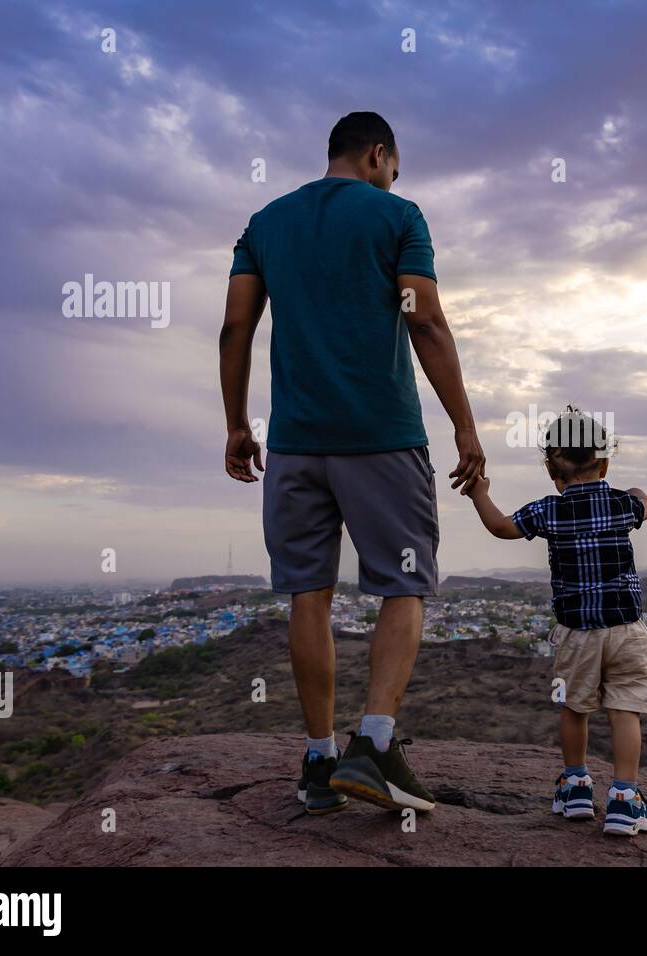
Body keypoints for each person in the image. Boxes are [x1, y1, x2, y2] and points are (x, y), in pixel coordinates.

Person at [218, 111, 484, 815]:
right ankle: (374, 745)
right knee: (404, 584)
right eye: (394, 167)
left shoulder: (265, 224)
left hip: (296, 443)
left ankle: (317, 760)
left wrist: (237, 425)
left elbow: (235, 328)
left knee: (310, 594)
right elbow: (424, 320)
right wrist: (465, 426)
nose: (394, 178)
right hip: (381, 436)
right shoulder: (398, 216)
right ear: (377, 154)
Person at [465, 408, 647, 836]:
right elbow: (646, 504)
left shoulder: (548, 511)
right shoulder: (622, 504)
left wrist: (479, 492)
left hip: (576, 634)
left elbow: (500, 527)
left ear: (553, 470)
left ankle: (575, 789)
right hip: (627, 630)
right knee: (625, 710)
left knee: (575, 708)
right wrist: (639, 491)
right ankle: (625, 799)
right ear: (604, 463)